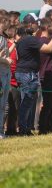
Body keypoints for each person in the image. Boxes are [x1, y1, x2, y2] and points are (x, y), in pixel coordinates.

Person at [15, 23, 52, 135]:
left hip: (24, 72)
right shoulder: (30, 40)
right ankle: (23, 129)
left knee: (27, 102)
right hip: (28, 74)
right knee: (27, 102)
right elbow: (49, 48)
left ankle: (24, 128)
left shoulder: (22, 40)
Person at [0, 11, 11, 139]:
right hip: (1, 74)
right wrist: (5, 60)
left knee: (3, 104)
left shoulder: (4, 36)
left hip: (5, 73)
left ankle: (1, 131)